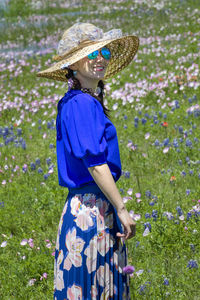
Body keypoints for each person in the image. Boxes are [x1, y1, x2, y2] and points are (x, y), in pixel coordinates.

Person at [37, 22, 139, 300]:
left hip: (88, 210)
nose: (100, 59)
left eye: (104, 52)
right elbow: (95, 163)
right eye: (92, 54)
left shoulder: (79, 101)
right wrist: (121, 207)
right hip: (91, 213)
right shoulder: (81, 104)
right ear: (72, 64)